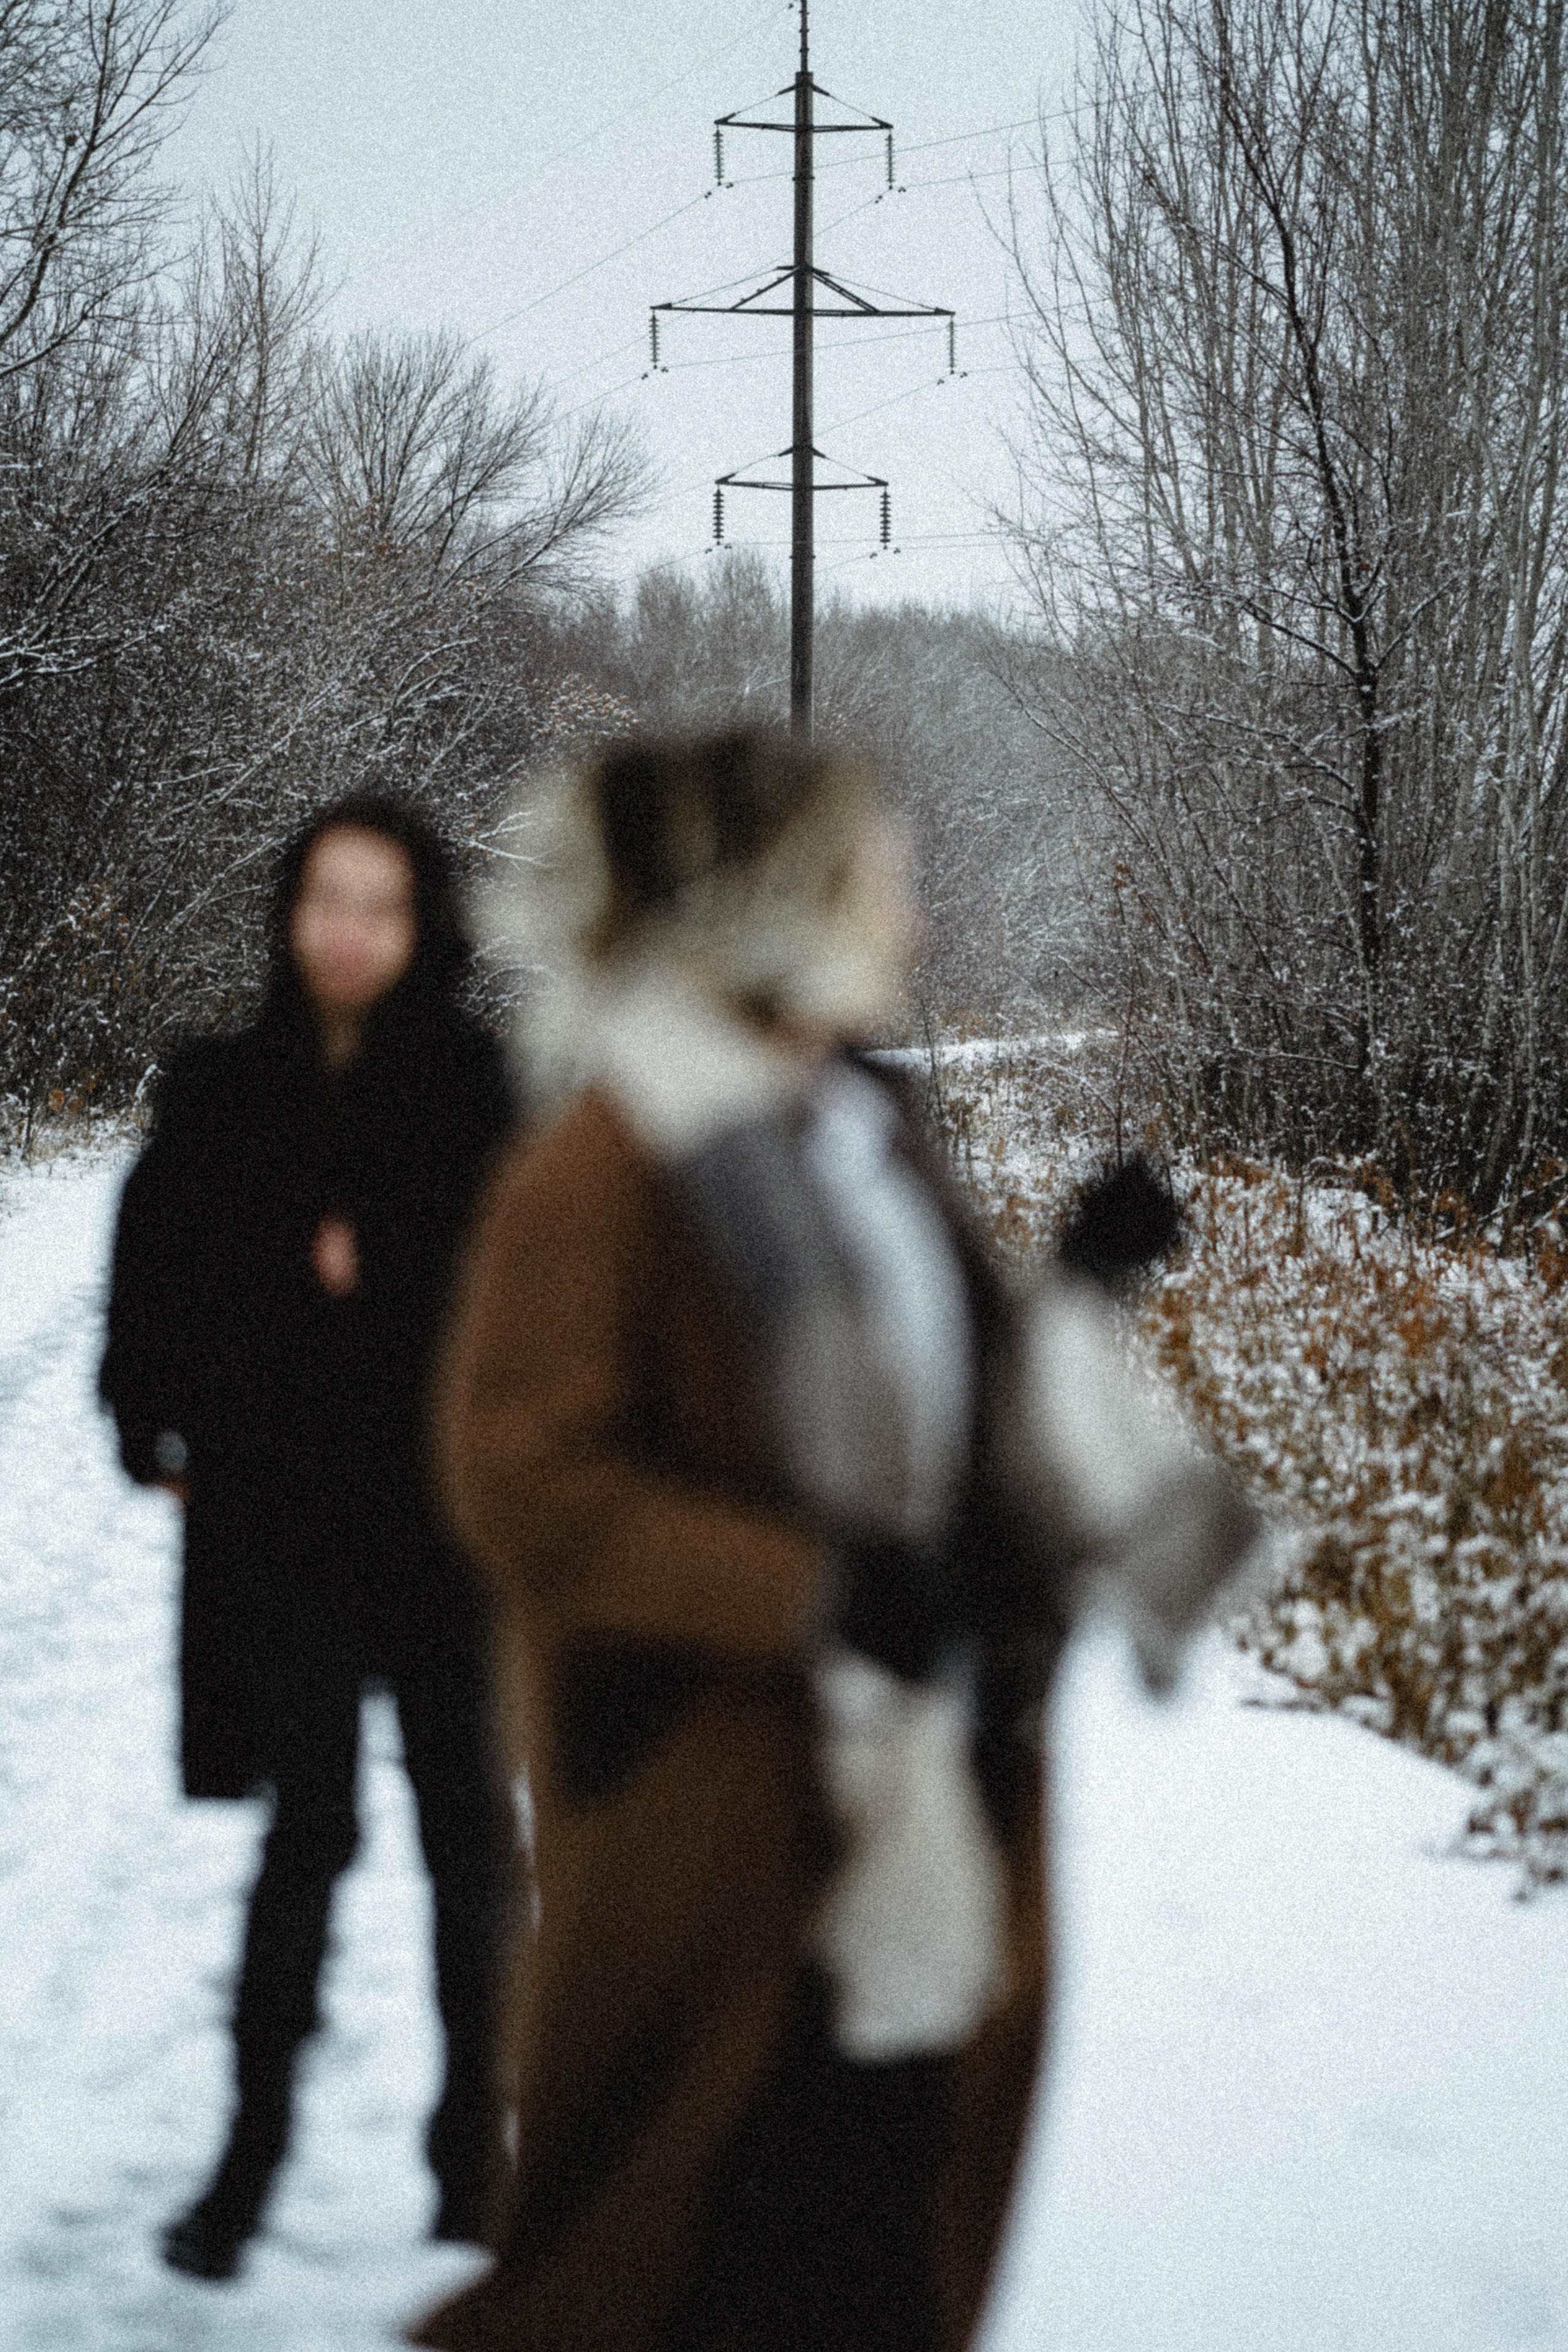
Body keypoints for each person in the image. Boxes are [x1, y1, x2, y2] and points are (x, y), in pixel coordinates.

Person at [410, 731, 1257, 2352]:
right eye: (880, 880)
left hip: (923, 1791)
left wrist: (1078, 1287)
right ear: (771, 901)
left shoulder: (865, 1124)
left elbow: (951, 1419)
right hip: (718, 1818)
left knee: (877, 2254)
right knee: (675, 2270)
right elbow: (524, 1483)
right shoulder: (600, 1165)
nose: (910, 919)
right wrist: (812, 1592)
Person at [99, 795, 516, 2281]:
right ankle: (248, 2161)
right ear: (288, 911)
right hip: (284, 1528)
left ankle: (474, 2162)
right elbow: (155, 1273)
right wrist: (151, 1416)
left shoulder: (482, 1095)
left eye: (380, 906)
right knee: (308, 1836)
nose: (347, 931)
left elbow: (514, 1311)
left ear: (424, 926)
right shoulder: (223, 1089)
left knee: (471, 1844)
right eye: (326, 898)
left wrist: (365, 1262)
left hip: (443, 1531)